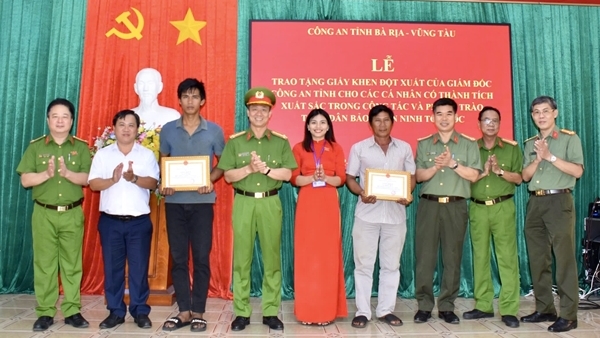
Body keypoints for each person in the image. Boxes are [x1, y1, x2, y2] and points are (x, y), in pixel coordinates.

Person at [217, 87, 297, 331]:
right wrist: (250, 170)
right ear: (248, 113)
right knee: (242, 259)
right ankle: (241, 312)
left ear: (270, 113)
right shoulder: (236, 141)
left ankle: (270, 311)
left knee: (272, 258)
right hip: (244, 202)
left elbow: (288, 173)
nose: (259, 113)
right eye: (254, 109)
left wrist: (267, 171)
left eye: (264, 109)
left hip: (270, 202)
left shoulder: (281, 142)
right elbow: (228, 176)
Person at [16, 98, 91, 331]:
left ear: (71, 120)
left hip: (71, 213)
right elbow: (26, 180)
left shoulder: (80, 147)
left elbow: (89, 179)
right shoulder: (36, 147)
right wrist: (46, 175)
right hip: (44, 213)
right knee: (45, 264)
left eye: (65, 116)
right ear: (48, 119)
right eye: (55, 116)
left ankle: (72, 310)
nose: (60, 120)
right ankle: (46, 312)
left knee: (71, 263)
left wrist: (68, 173)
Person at [159, 78, 225, 332]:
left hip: (202, 203)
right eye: (185, 96)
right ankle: (183, 311)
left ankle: (198, 311)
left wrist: (210, 179)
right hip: (174, 202)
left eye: (195, 96)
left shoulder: (214, 131)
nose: (190, 101)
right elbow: (164, 160)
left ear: (202, 101)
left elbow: (223, 162)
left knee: (200, 257)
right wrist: (166, 181)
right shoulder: (168, 130)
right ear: (179, 100)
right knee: (177, 258)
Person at [345, 104, 416, 329]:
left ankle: (386, 310)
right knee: (364, 265)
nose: (382, 124)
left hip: (395, 216)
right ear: (370, 123)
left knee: (391, 265)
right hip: (367, 215)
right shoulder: (359, 148)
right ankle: (363, 311)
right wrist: (361, 193)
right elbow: (350, 178)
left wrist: (407, 193)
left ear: (392, 122)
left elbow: (411, 177)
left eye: (386, 120)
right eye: (378, 120)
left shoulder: (404, 148)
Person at [88, 110, 159, 330]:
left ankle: (139, 311)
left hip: (138, 222)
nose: (126, 128)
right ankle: (116, 311)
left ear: (137, 130)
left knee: (139, 269)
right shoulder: (103, 155)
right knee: (113, 269)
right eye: (122, 124)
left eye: (131, 125)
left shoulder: (146, 155)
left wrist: (133, 178)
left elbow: (153, 183)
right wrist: (113, 179)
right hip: (110, 222)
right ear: (114, 128)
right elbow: (93, 184)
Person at [413, 98, 481, 324]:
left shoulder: (468, 144)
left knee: (452, 257)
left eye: (448, 114)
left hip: (456, 205)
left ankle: (446, 306)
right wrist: (436, 166)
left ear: (456, 116)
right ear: (433, 117)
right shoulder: (424, 143)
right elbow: (419, 176)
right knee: (425, 258)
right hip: (429, 205)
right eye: (439, 114)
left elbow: (474, 176)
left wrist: (452, 164)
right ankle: (424, 306)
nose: (444, 118)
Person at [520, 96, 583, 333]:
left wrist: (550, 157)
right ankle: (545, 308)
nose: (541, 116)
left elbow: (577, 170)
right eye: (536, 112)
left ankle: (569, 315)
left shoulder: (569, 138)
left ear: (555, 113)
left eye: (546, 111)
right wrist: (538, 158)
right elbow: (525, 177)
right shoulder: (530, 143)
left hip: (559, 200)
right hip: (535, 202)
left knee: (564, 259)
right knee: (538, 259)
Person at [463, 107, 522, 328]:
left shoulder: (511, 149)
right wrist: (482, 174)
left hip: (503, 206)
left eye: (495, 120)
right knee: (480, 257)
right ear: (479, 123)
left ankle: (508, 309)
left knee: (507, 258)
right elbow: (463, 180)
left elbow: (519, 178)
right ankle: (483, 305)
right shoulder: (470, 149)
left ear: (500, 123)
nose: (491, 124)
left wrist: (499, 172)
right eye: (486, 120)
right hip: (477, 208)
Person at [291, 109, 347, 326]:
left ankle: (325, 312)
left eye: (322, 122)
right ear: (307, 126)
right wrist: (311, 177)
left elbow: (341, 179)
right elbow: (294, 179)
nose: (318, 126)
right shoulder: (298, 148)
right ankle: (307, 312)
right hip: (307, 205)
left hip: (328, 205)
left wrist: (326, 178)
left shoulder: (335, 148)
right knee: (307, 258)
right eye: (313, 122)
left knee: (327, 257)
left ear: (328, 126)